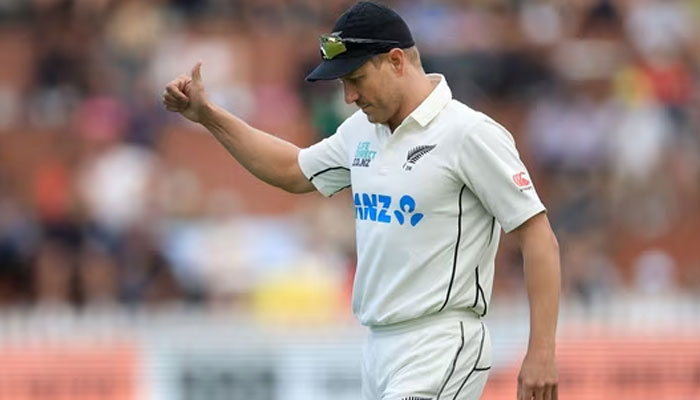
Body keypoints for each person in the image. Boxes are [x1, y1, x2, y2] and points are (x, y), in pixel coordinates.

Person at [162, 2, 560, 399]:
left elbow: (536, 233)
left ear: (396, 61)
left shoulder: (468, 133)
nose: (350, 96)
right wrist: (209, 116)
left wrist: (541, 351)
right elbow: (291, 171)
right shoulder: (361, 132)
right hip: (376, 347)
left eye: (357, 78)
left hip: (440, 342)